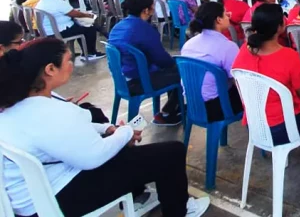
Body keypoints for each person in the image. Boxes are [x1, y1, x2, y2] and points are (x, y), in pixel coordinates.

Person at [0, 38, 210, 217]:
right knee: (171, 152)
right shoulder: (52, 111)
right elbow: (94, 157)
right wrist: (124, 133)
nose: (72, 65)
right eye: (68, 60)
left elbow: (65, 134)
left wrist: (105, 130)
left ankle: (139, 195)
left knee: (122, 149)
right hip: (54, 201)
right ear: (50, 69)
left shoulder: (15, 102)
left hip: (30, 196)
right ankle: (180, 211)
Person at [235, 4, 300, 167]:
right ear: (280, 27)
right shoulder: (288, 56)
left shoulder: (244, 51)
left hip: (254, 126)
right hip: (282, 129)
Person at [109, 0, 181, 125]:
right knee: (181, 72)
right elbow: (162, 59)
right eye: (153, 7)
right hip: (139, 81)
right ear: (146, 10)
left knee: (172, 69)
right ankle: (169, 112)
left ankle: (168, 110)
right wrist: (174, 63)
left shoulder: (118, 26)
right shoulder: (144, 29)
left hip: (122, 79)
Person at [182, 2, 243, 122]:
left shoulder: (188, 44)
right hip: (216, 107)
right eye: (226, 14)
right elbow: (238, 80)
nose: (228, 17)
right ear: (219, 20)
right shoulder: (227, 47)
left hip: (191, 104)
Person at [35, 0, 104, 60]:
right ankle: (90, 53)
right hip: (59, 31)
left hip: (47, 31)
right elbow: (74, 14)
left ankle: (86, 52)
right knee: (90, 29)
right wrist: (88, 15)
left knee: (80, 27)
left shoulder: (42, 1)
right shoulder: (58, 2)